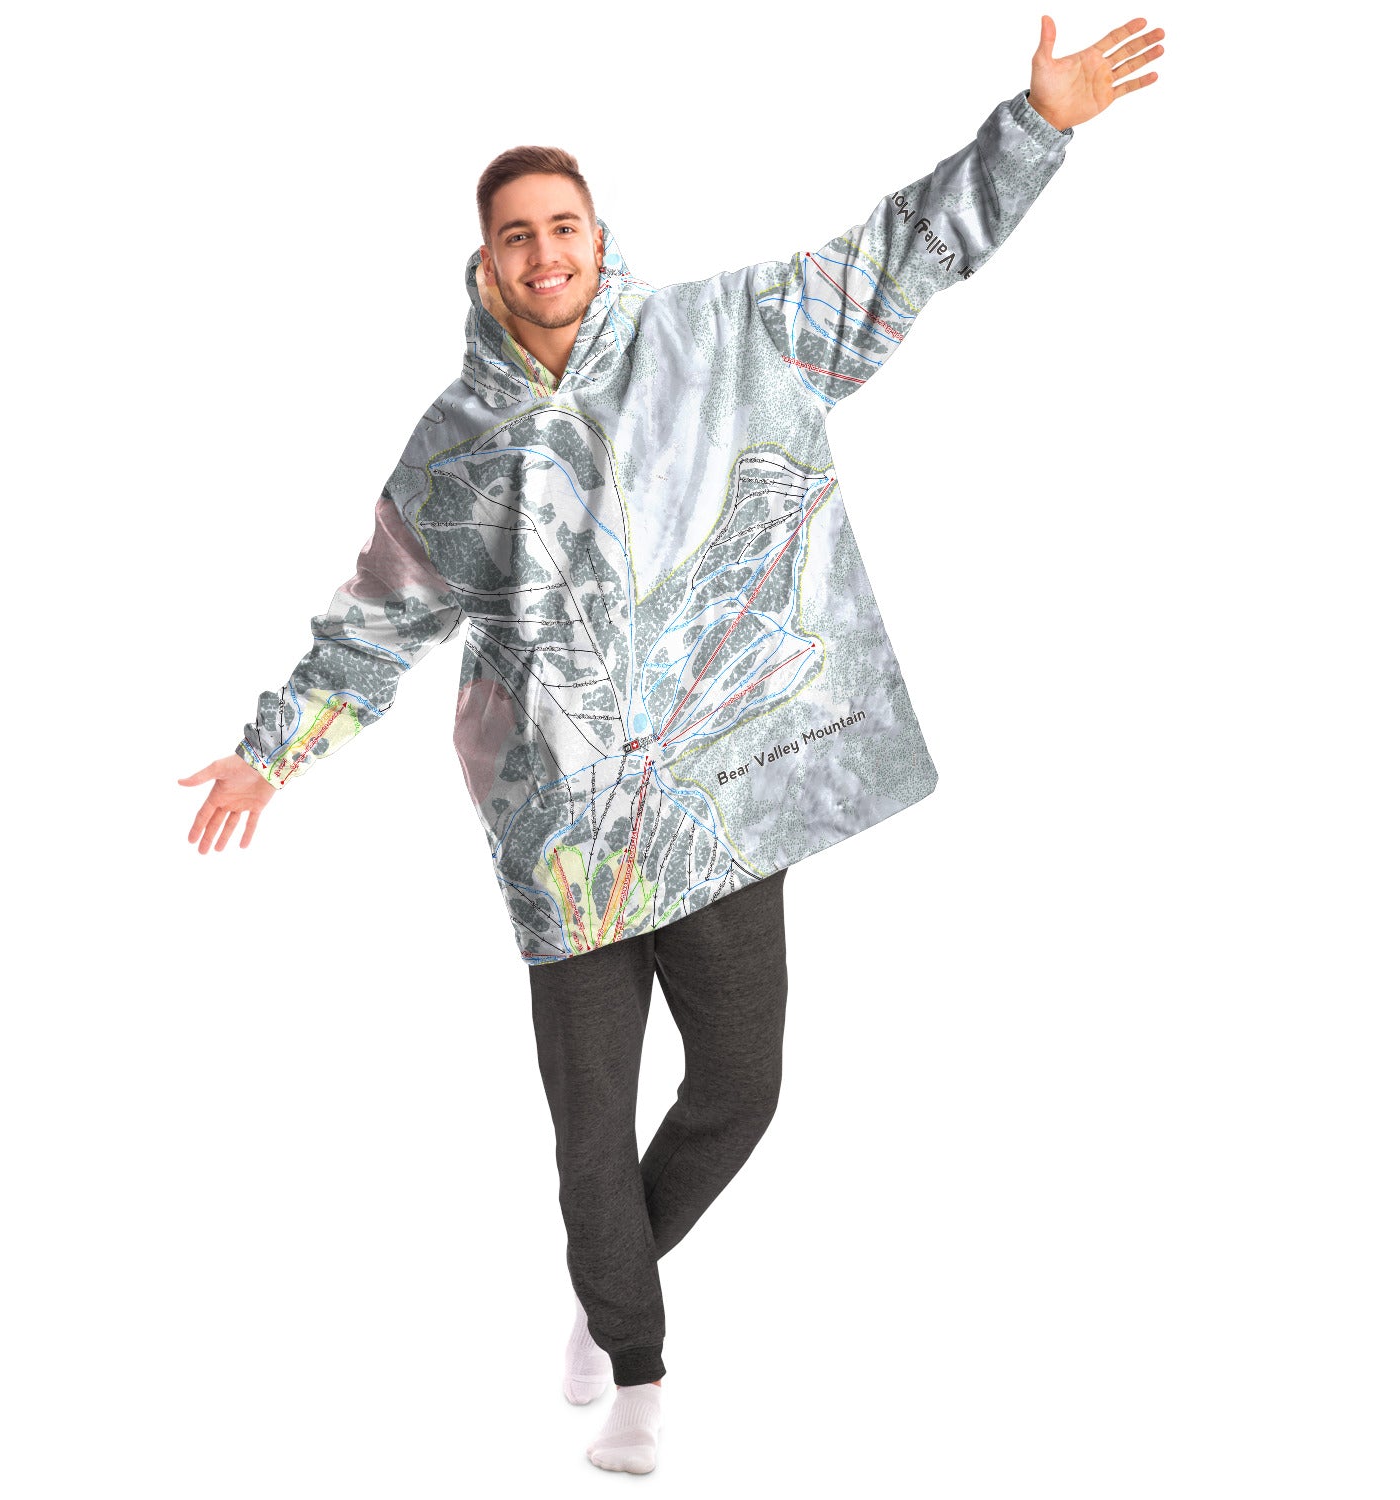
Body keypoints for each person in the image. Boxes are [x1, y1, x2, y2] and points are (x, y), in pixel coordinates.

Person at [179, 15, 1164, 1474]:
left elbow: (903, 253)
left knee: (742, 1088)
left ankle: (605, 1284)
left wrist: (1036, 127)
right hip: (563, 834)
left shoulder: (723, 335)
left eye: (563, 225)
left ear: (598, 234)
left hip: (718, 806)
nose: (545, 252)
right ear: (485, 261)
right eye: (516, 234)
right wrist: (271, 751)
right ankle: (635, 1362)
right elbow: (377, 623)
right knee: (588, 1129)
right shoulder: (454, 445)